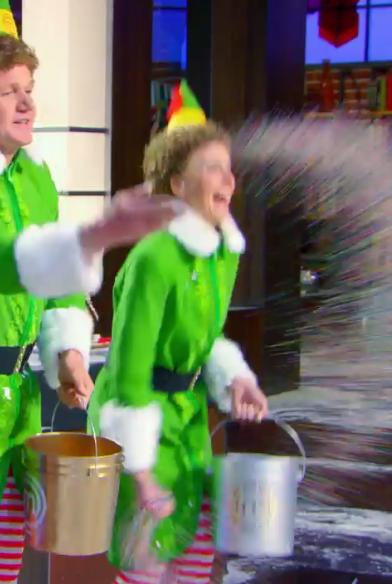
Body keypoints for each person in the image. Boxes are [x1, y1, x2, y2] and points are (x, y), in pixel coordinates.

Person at [0, 2, 181, 582]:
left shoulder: (33, 175)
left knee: (3, 571)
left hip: (21, 407)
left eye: (29, 88)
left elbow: (57, 290)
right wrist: (100, 232)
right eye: (9, 92)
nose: (28, 103)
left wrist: (68, 351)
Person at [90, 81, 269, 584]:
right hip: (142, 427)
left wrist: (236, 378)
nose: (226, 179)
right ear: (175, 184)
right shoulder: (154, 258)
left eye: (227, 167)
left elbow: (205, 339)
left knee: (194, 555)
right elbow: (127, 370)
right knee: (148, 563)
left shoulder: (220, 253)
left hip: (189, 426)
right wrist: (141, 471)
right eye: (210, 167)